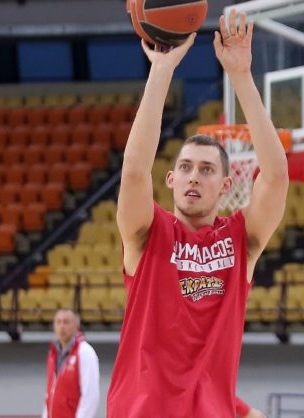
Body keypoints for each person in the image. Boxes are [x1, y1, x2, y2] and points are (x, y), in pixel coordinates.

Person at [107, 8, 288, 418]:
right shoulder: (148, 233)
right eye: (186, 167)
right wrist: (161, 70)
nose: (194, 176)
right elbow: (134, 171)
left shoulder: (241, 240)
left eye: (206, 170)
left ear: (226, 186)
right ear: (170, 179)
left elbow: (277, 177)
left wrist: (241, 76)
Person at [42, 309, 99, 418]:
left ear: (76, 326)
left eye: (66, 322)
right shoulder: (52, 354)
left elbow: (90, 395)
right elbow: (50, 392)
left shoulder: (85, 352)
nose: (62, 326)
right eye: (58, 322)